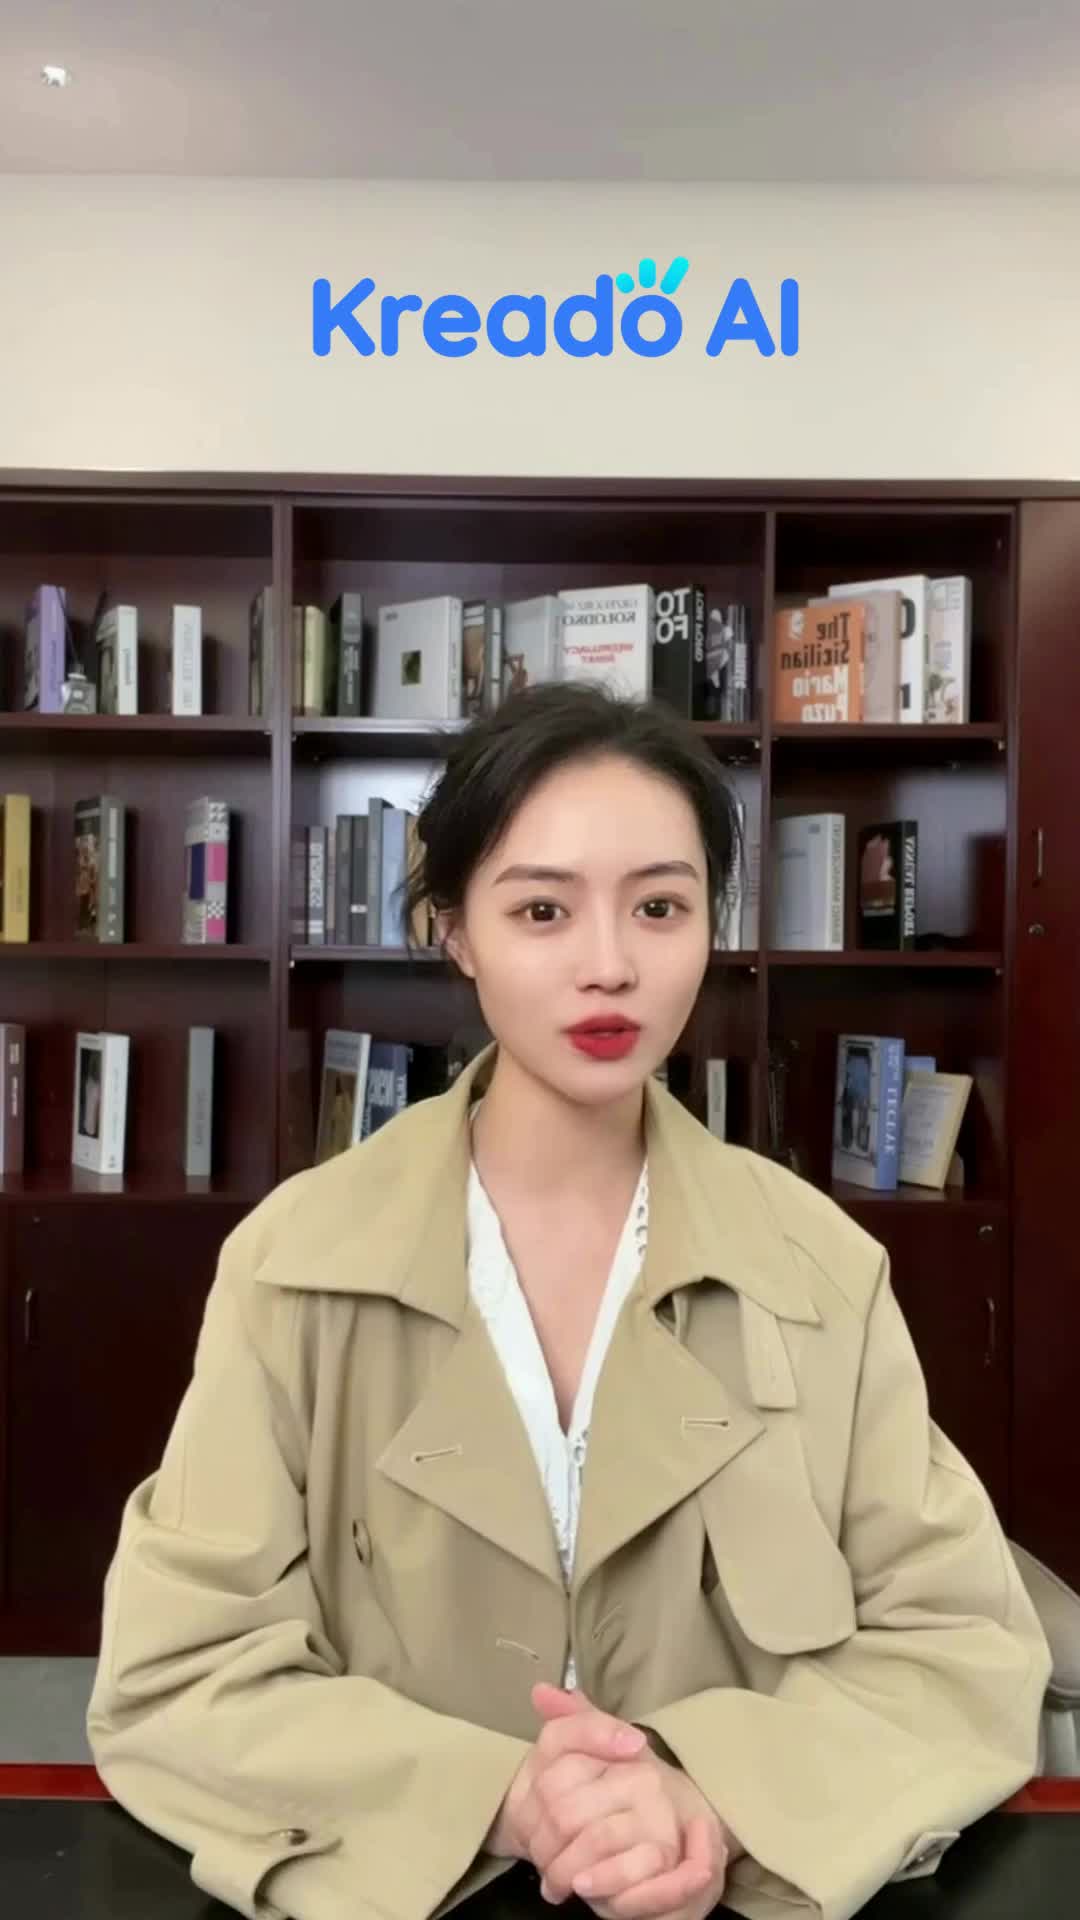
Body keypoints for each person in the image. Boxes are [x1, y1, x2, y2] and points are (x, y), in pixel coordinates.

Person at [87, 682, 1050, 1920]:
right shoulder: (295, 1262)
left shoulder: (819, 1266)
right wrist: (502, 1797)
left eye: (660, 906)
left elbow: (961, 1651)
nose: (610, 967)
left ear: (710, 924)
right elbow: (177, 1677)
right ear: (454, 930)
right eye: (542, 909)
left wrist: (707, 1794)